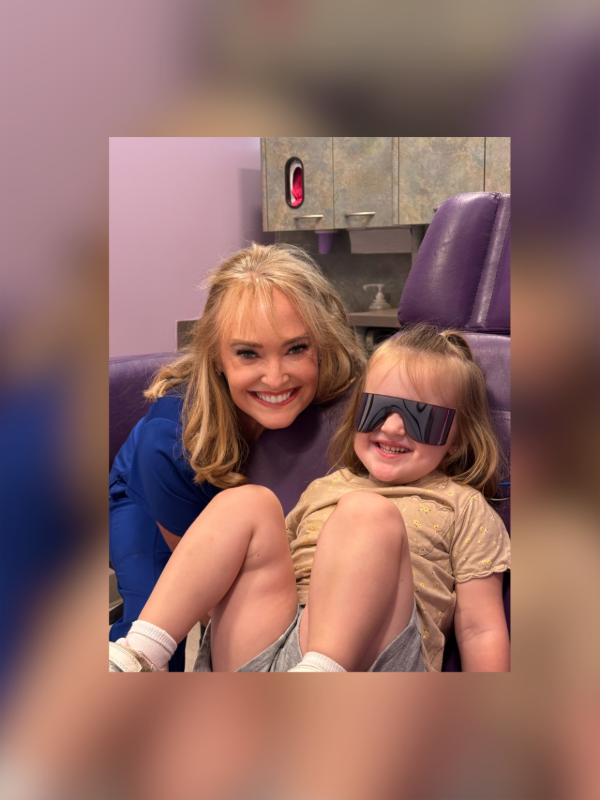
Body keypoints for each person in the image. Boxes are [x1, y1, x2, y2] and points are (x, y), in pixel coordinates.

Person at [109, 323, 510, 673]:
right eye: (378, 409)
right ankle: (139, 654)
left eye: (421, 417)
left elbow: (480, 628)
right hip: (275, 654)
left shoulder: (463, 505)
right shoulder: (326, 487)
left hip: (373, 665)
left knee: (367, 514)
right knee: (248, 501)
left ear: (456, 440)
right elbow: (263, 569)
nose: (392, 426)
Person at [109, 243, 366, 670]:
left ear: (322, 344)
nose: (276, 376)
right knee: (156, 634)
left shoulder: (342, 390)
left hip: (250, 506)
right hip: (154, 496)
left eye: (296, 349)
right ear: (217, 358)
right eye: (248, 353)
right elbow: (214, 600)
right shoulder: (167, 443)